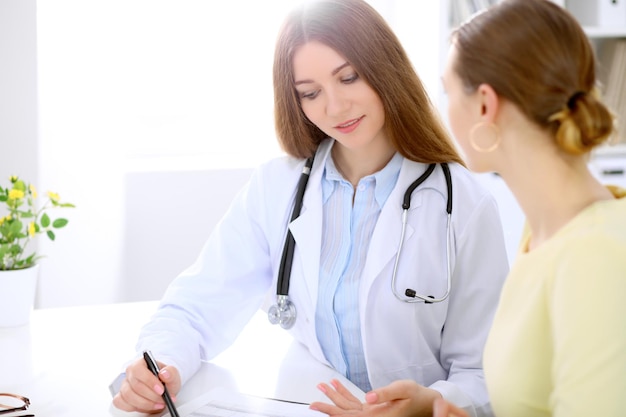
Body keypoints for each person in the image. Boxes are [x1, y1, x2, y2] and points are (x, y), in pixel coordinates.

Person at [111, 0, 509, 416]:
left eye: (349, 77)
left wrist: (429, 407)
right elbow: (197, 305)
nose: (334, 108)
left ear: (384, 68)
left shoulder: (460, 202)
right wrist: (159, 363)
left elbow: (485, 373)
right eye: (310, 93)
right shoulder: (276, 186)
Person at [313, 0, 626, 416]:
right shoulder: (545, 236)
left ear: (483, 105)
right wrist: (434, 405)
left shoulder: (595, 256)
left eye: (446, 89)